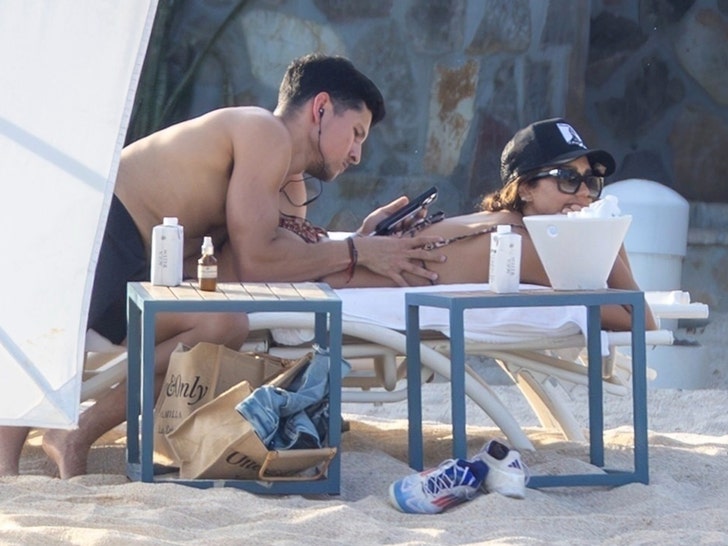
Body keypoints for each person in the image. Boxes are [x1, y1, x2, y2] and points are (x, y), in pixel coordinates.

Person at [0, 53, 447, 479]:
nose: (356, 154)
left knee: (224, 325)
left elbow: (268, 267)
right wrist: (356, 251)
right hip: (94, 233)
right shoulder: (262, 131)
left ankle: (73, 433)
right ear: (322, 108)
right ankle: (10, 452)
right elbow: (257, 260)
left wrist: (362, 241)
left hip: (140, 269)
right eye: (357, 133)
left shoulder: (289, 185)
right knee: (71, 337)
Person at [321, 117, 657, 332]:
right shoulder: (525, 243)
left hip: (326, 276)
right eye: (567, 178)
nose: (584, 193)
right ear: (525, 188)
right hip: (321, 292)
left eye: (591, 181)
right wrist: (606, 229)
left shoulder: (501, 223)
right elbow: (640, 319)